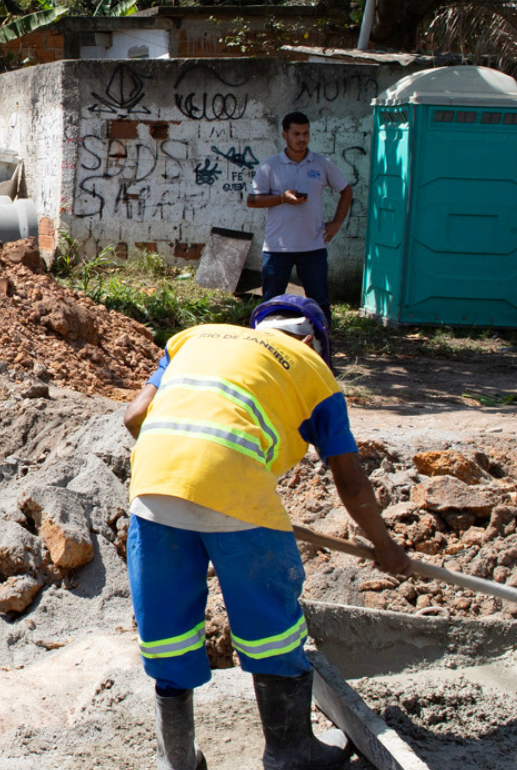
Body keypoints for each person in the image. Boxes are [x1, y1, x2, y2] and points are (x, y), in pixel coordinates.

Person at [121, 294, 411, 770]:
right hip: (236, 494)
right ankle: (289, 752)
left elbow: (134, 416)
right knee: (270, 628)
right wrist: (384, 545)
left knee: (167, 633)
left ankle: (176, 760)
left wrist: (186, 477)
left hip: (153, 489)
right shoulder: (316, 374)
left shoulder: (192, 338)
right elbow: (350, 479)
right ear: (314, 340)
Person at [247, 113, 353, 322]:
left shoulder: (321, 164)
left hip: (312, 246)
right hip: (277, 248)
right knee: (271, 304)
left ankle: (323, 348)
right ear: (284, 135)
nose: (301, 138)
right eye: (296, 134)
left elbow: (346, 191)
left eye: (305, 133)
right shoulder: (271, 166)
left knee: (319, 304)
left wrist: (337, 223)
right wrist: (282, 198)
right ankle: (267, 346)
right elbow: (252, 200)